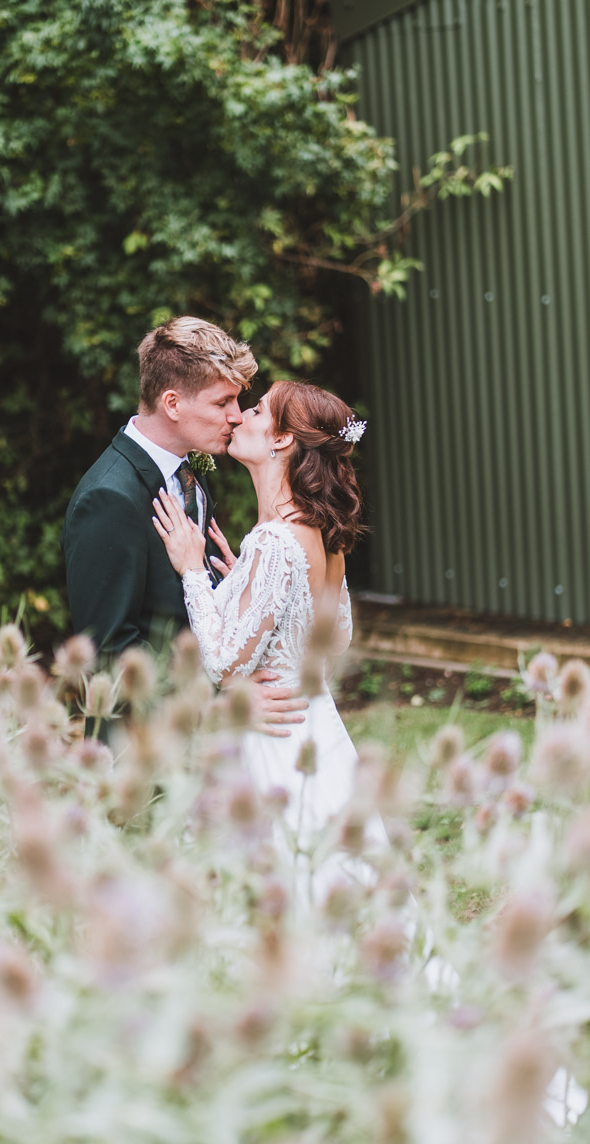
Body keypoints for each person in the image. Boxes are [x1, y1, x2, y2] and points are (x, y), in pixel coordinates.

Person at [152, 379, 377, 889]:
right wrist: (242, 587)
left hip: (273, 740)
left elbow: (226, 664)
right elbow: (333, 636)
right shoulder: (321, 531)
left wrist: (193, 570)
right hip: (317, 729)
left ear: (281, 440)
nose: (238, 416)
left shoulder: (274, 541)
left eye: (254, 409)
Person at [62, 317, 309, 736]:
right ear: (173, 404)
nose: (235, 416)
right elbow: (111, 653)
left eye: (238, 401)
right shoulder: (109, 500)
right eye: (222, 403)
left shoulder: (188, 473)